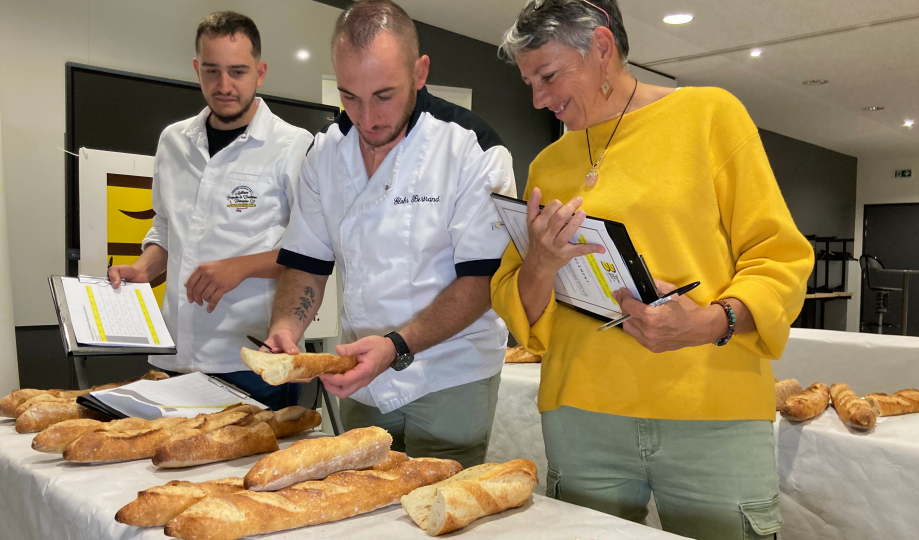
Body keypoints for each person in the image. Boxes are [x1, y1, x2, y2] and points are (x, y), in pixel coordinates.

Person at [492, 1, 815, 538]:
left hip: (712, 413)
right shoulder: (548, 165)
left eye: (547, 76)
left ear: (601, 48)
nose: (538, 98)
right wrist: (541, 266)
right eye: (530, 81)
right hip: (581, 415)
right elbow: (517, 302)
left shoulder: (710, 115)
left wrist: (708, 322)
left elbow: (779, 258)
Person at [262, 0, 516, 468]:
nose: (366, 117)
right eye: (349, 96)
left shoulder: (469, 148)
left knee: (437, 508)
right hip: (362, 371)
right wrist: (286, 328)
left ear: (420, 72)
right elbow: (307, 263)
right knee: (361, 505)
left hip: (450, 372)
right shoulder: (325, 153)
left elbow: (484, 282)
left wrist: (397, 346)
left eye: (383, 95)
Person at [108, 11, 312, 410]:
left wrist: (241, 266)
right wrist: (144, 269)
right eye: (212, 72)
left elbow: (313, 251)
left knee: (247, 473)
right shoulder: (173, 141)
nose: (224, 86)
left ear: (261, 72)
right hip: (174, 352)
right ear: (197, 69)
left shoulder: (293, 145)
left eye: (238, 71)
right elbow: (165, 229)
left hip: (253, 360)